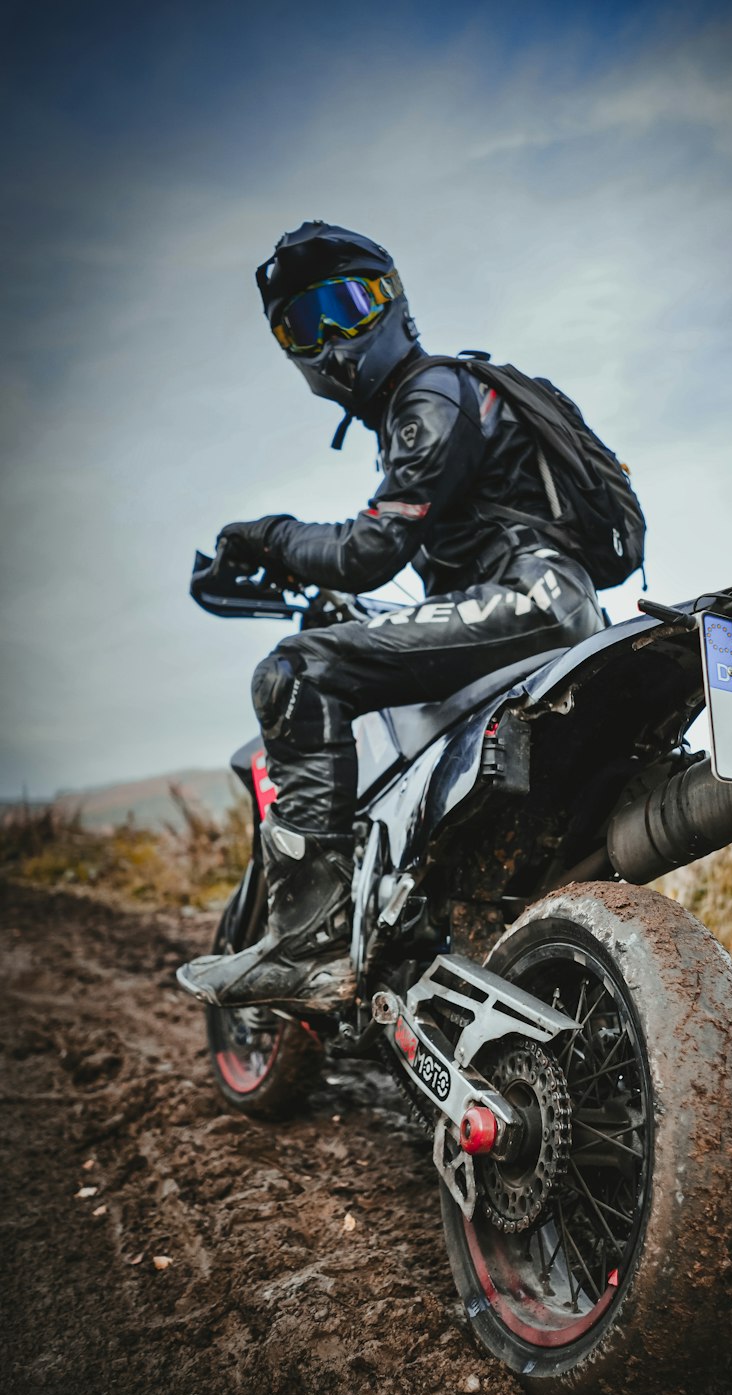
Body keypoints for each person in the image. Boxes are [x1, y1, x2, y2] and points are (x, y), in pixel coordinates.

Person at [178, 221, 606, 1008]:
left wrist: (269, 537)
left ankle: (307, 947)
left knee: (297, 671)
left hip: (531, 599)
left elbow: (369, 551)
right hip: (540, 606)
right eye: (302, 324)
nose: (330, 337)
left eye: (345, 306)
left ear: (394, 304)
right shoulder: (438, 403)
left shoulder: (431, 392)